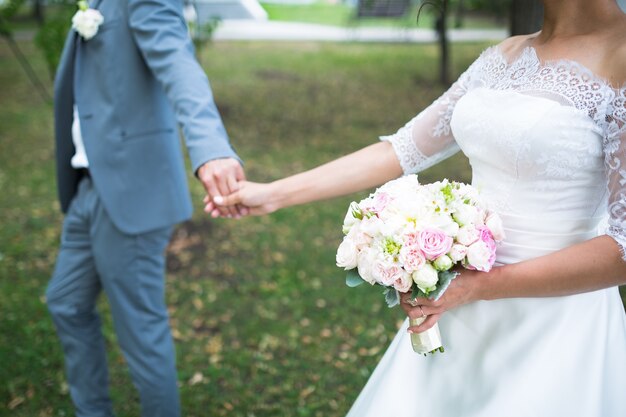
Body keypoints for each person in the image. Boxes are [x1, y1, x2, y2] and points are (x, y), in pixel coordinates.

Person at [205, 0, 626, 415]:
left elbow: (623, 249)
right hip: (459, 311)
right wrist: (274, 194)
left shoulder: (620, 56)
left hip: (551, 331)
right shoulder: (507, 53)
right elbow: (403, 149)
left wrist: (483, 286)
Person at [46, 1, 245, 416]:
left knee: (141, 334)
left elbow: (178, 63)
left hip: (131, 187)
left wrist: (209, 147)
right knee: (65, 302)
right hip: (88, 183)